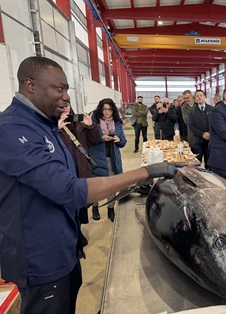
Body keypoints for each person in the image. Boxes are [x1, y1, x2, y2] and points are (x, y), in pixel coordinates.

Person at [0, 56, 181, 314]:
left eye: (67, 90)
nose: (65, 97)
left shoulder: (44, 125)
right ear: (30, 86)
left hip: (63, 244)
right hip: (40, 255)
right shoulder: (14, 130)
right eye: (59, 89)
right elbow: (70, 189)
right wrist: (144, 172)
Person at [58, 105, 101, 249]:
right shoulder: (52, 125)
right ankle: (73, 234)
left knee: (81, 205)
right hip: (65, 173)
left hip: (81, 170)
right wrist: (56, 129)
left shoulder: (80, 124)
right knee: (67, 206)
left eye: (67, 105)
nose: (64, 108)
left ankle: (78, 230)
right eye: (61, 106)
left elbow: (95, 140)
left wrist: (91, 126)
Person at [89, 98, 127, 222]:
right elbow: (89, 139)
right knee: (97, 184)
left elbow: (123, 142)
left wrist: (118, 139)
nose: (107, 112)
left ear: (113, 110)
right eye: (104, 109)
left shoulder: (117, 122)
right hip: (97, 157)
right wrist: (101, 138)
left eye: (109, 109)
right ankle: (95, 207)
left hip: (112, 157)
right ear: (100, 109)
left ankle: (111, 208)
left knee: (111, 184)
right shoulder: (93, 121)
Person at [188, 90, 212, 168]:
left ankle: (209, 178)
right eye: (197, 96)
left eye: (200, 95)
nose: (199, 97)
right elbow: (191, 126)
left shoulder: (212, 109)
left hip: (210, 141)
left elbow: (215, 124)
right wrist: (202, 134)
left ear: (204, 96)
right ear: (195, 98)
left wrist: (209, 133)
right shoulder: (192, 112)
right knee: (197, 163)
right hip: (198, 141)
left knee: (209, 162)